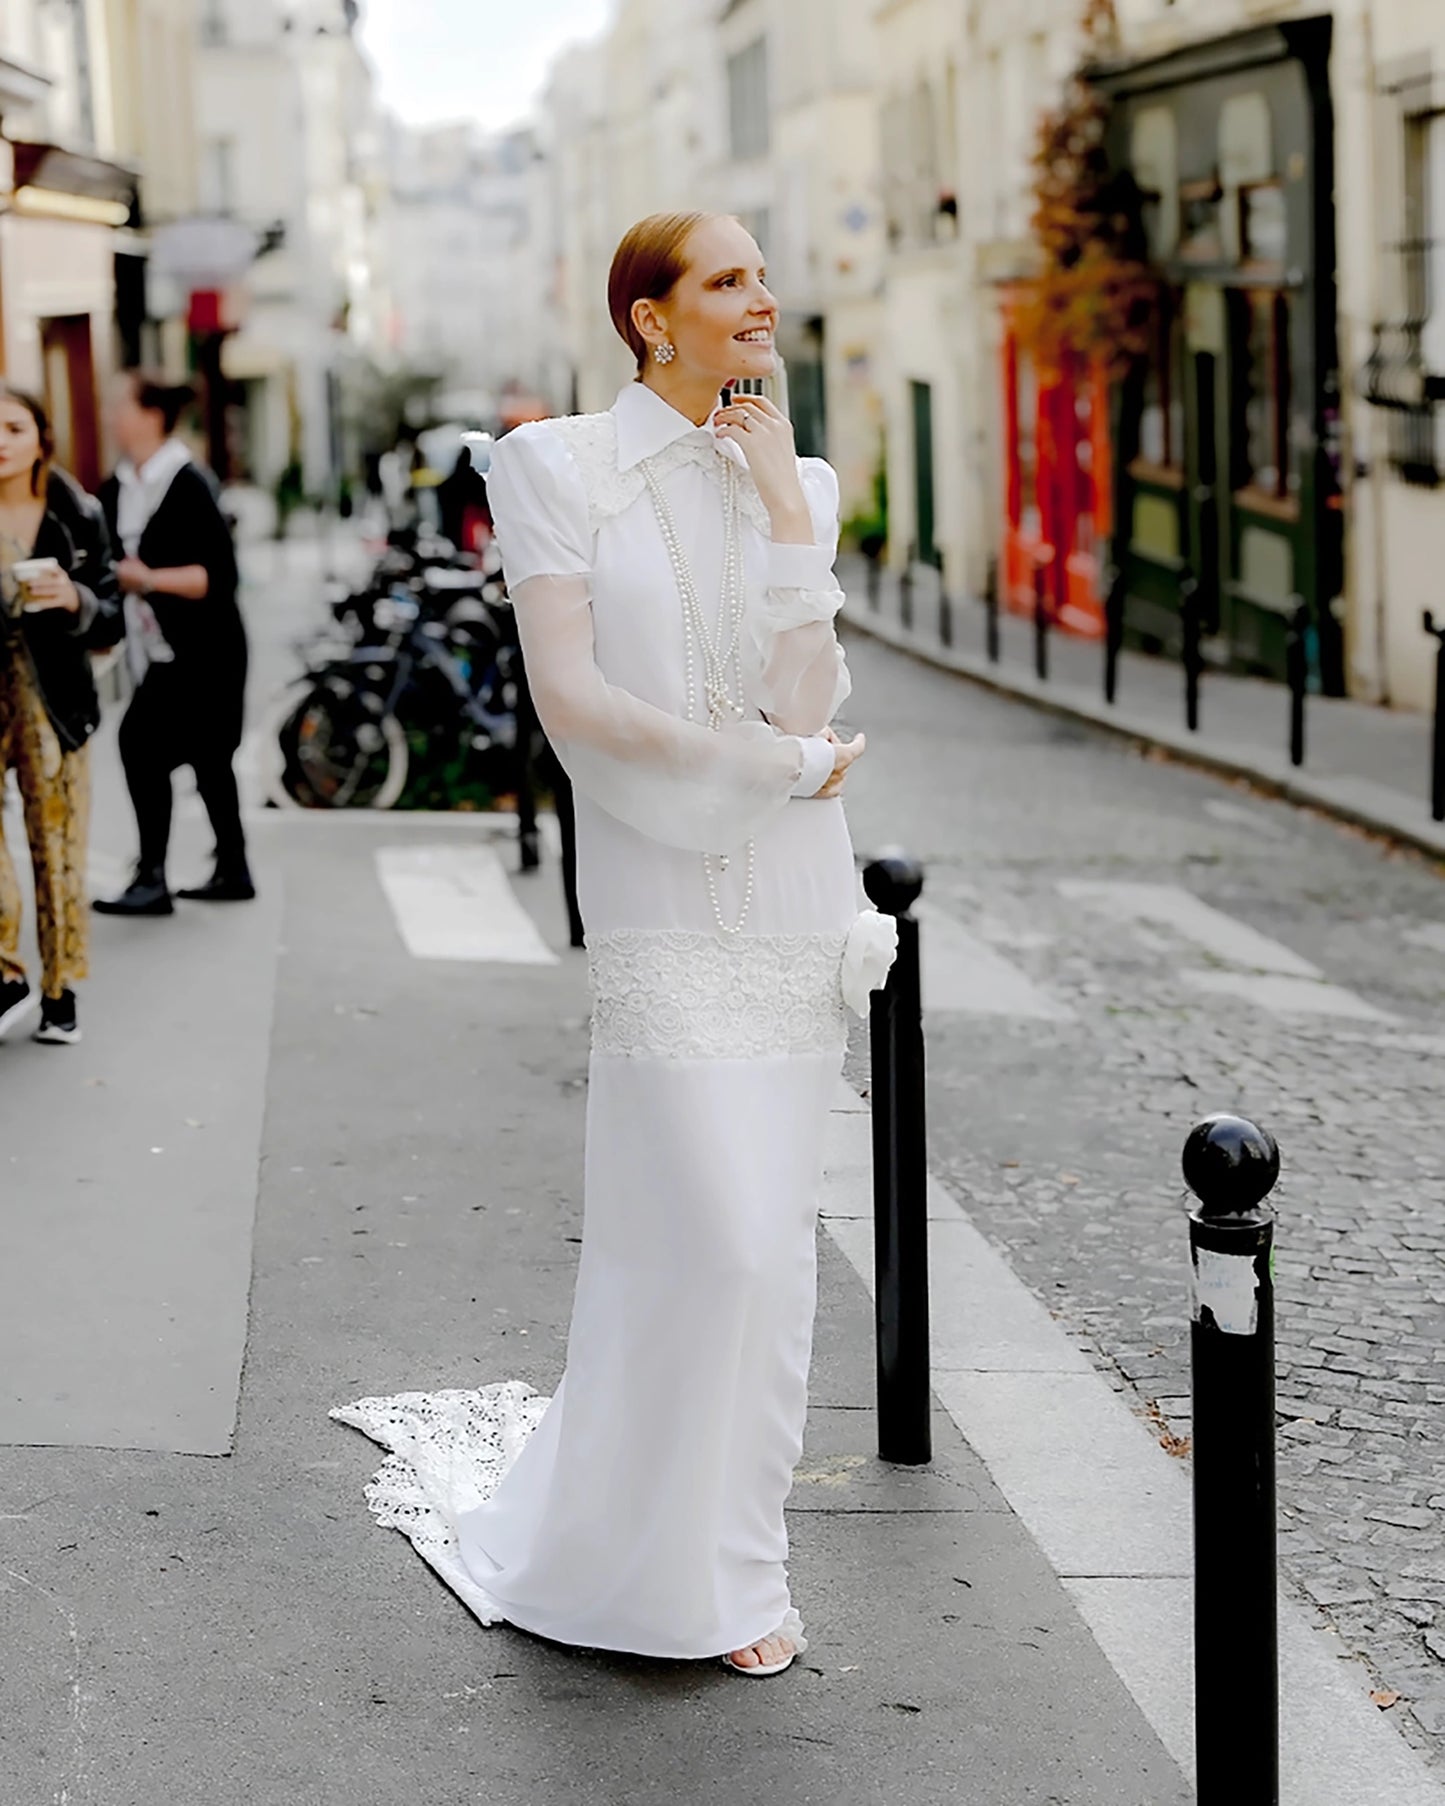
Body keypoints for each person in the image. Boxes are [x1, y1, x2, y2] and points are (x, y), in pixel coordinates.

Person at [333, 212, 898, 1676]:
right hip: (663, 890)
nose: (764, 296)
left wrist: (786, 516)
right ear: (651, 318)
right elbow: (575, 706)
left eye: (766, 274)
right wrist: (770, 767)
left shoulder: (801, 475)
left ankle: (739, 1569)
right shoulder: (555, 465)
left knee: (769, 1255)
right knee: (696, 1237)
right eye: (728, 279)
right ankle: (619, 1544)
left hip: (788, 893)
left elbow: (802, 685)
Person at [94, 373, 253, 916]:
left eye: (122, 405)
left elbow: (217, 577)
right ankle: (233, 868)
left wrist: (149, 579)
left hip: (206, 650)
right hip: (159, 651)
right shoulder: (116, 488)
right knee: (209, 758)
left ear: (151, 416)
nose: (112, 415)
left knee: (141, 743)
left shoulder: (188, 482)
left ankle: (152, 876)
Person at [0, 386, 121, 1047]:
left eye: (13, 427)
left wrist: (72, 596)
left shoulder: (78, 515)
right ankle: (5, 974)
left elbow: (112, 617)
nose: (0, 441)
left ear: (41, 437)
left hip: (56, 702)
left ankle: (57, 990)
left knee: (56, 847)